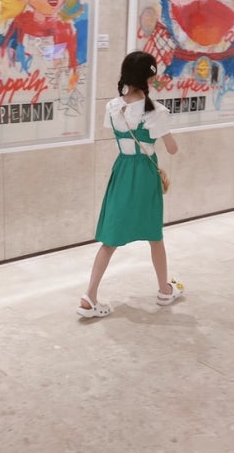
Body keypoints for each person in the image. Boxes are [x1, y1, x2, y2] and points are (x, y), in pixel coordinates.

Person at [77, 51, 182, 318]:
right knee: (154, 234)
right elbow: (172, 149)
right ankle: (164, 290)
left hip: (122, 170)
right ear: (149, 76)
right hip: (145, 173)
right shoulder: (155, 110)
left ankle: (89, 295)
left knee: (111, 237)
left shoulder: (112, 107)